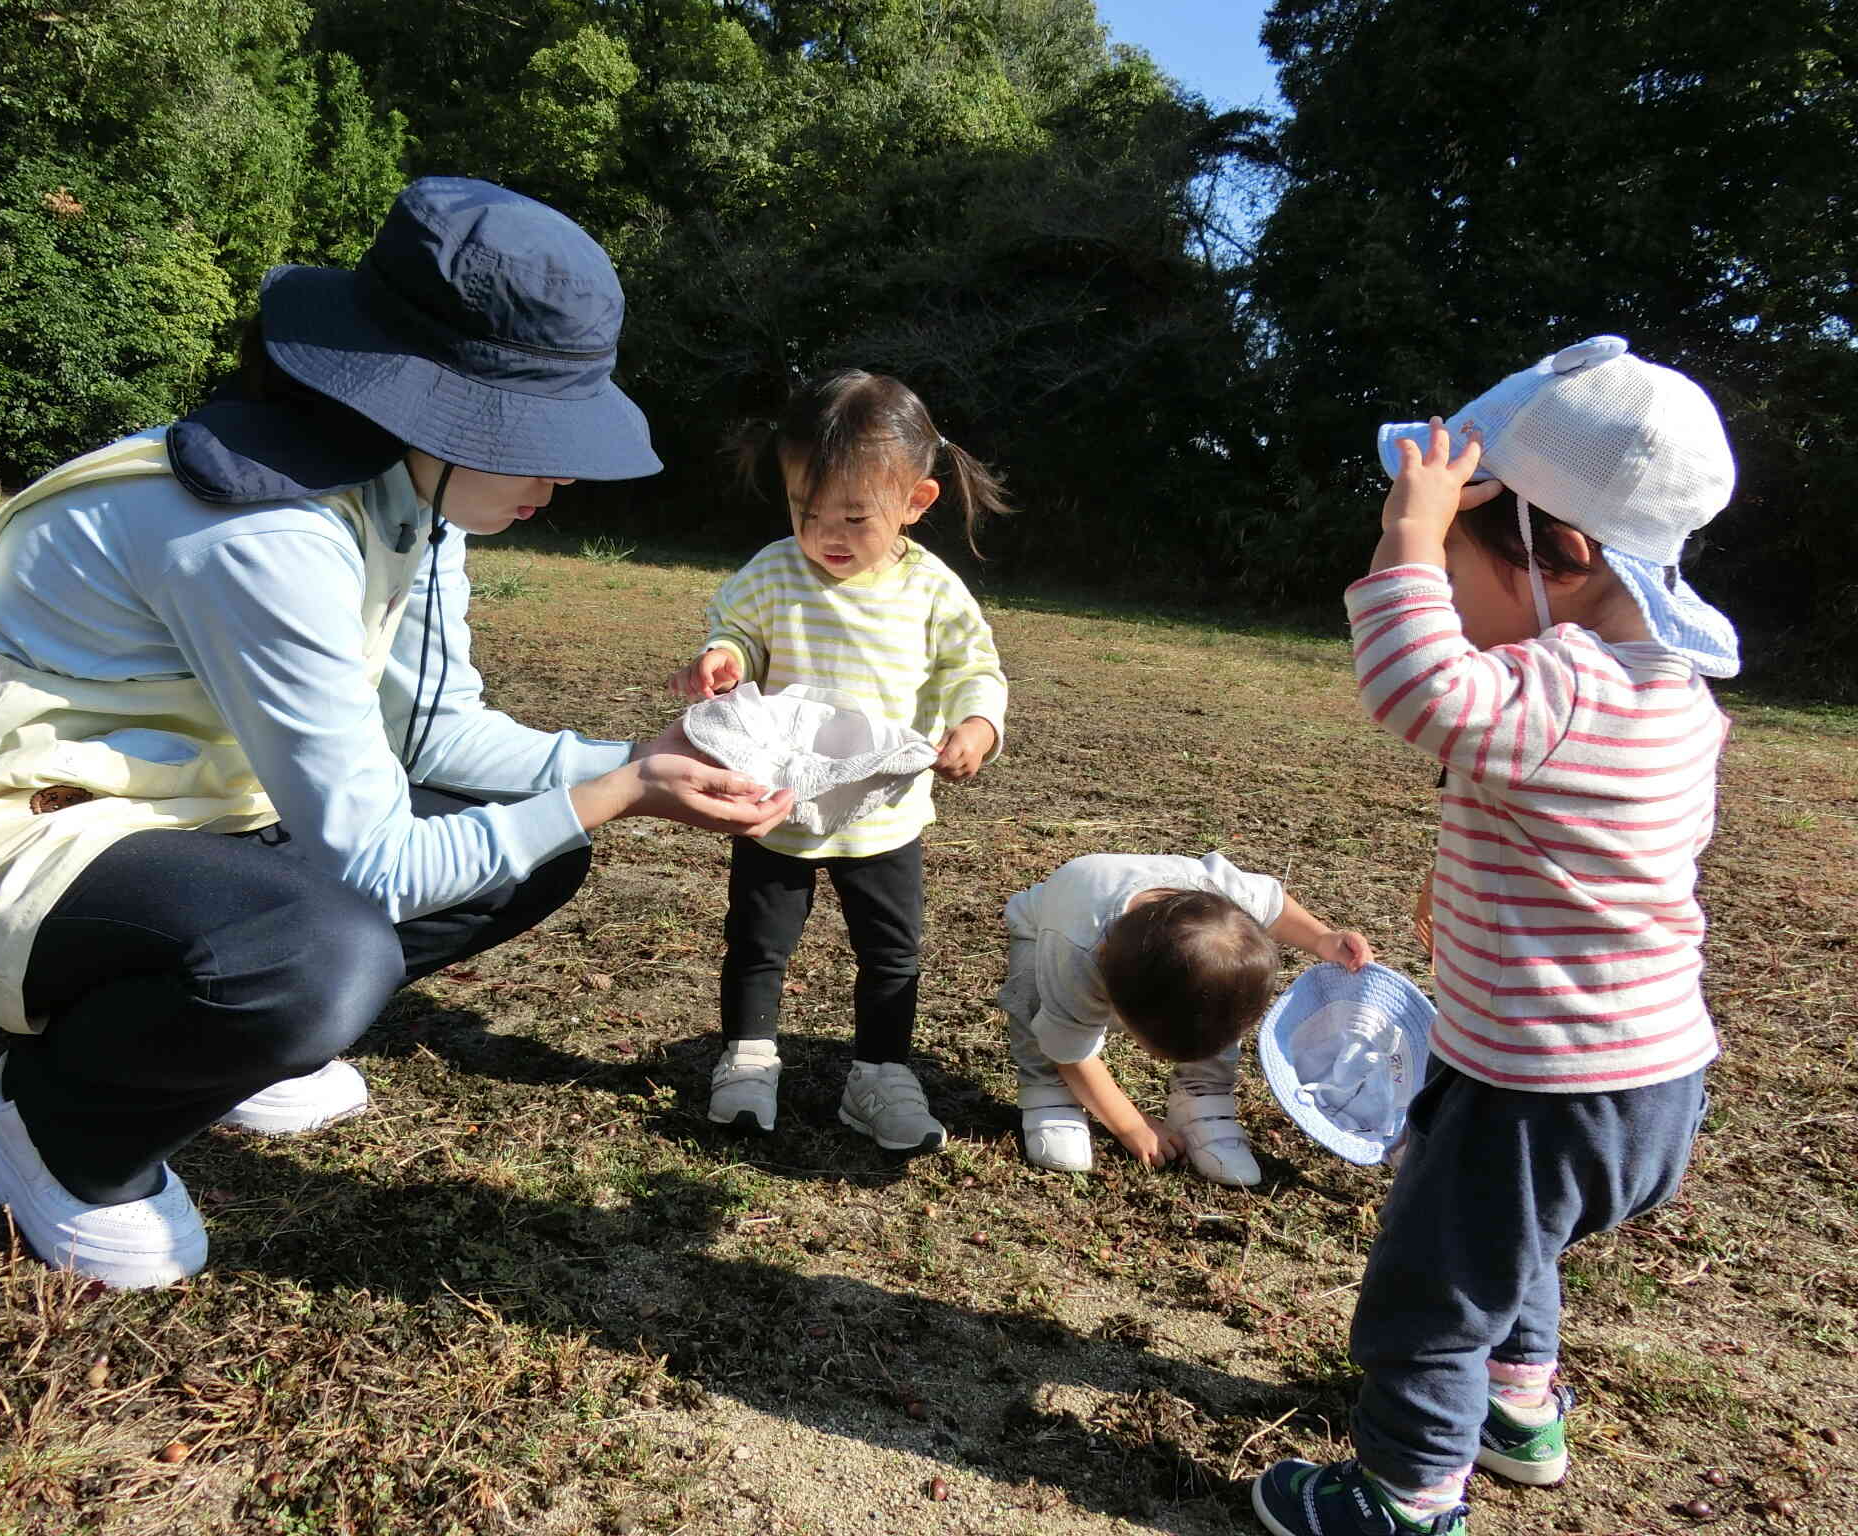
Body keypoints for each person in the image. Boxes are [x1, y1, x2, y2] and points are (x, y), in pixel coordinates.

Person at [0, 178, 793, 1290]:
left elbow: (436, 734)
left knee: (529, 858)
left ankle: (206, 1052)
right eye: (535, 438)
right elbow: (375, 861)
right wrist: (620, 787)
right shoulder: (263, 533)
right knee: (319, 957)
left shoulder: (404, 502)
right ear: (431, 412)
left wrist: (647, 764)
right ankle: (59, 1125)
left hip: (204, 818)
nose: (561, 475)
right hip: (19, 847)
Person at [1252, 336, 1736, 1536]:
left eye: (1448, 561)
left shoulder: (1562, 683)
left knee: (1433, 1294)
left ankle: (1407, 1498)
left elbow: (1412, 688)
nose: (1426, 582)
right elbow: (1602, 852)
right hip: (1646, 1082)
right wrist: (1477, 902)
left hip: (1533, 1084)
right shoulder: (1671, 693)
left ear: (1554, 560)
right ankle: (1518, 1411)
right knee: (1514, 1250)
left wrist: (1403, 535)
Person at [667, 369, 1009, 1153]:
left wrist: (978, 724)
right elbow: (738, 630)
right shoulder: (774, 570)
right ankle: (748, 1057)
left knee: (891, 949)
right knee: (757, 938)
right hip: (780, 800)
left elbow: (974, 667)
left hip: (882, 810)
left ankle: (881, 1073)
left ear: (915, 503)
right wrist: (724, 656)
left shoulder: (931, 589)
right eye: (805, 510)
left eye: (856, 516)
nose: (827, 533)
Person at [998, 852, 1372, 1184]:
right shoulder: (1075, 950)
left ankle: (1201, 1097)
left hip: (1151, 941)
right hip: (1043, 929)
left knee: (1217, 994)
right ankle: (1046, 1090)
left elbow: (1274, 905)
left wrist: (1324, 938)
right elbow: (1073, 1052)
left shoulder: (1229, 902)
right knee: (1035, 1004)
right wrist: (1132, 1125)